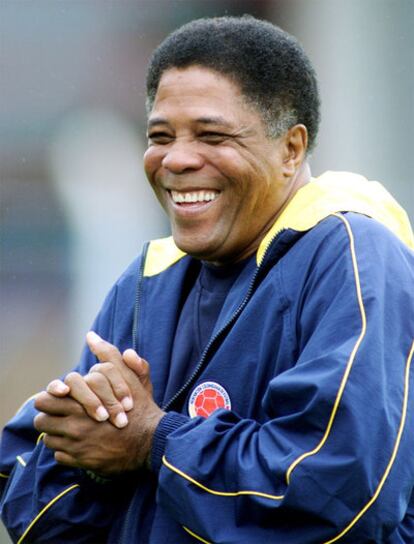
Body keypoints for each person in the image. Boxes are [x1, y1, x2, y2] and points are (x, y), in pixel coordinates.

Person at [1, 15, 414, 544]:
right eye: (160, 136)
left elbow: (335, 492)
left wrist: (154, 441)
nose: (176, 158)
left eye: (212, 135)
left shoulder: (353, 257)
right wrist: (97, 463)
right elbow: (33, 496)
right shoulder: (149, 279)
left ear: (291, 149)